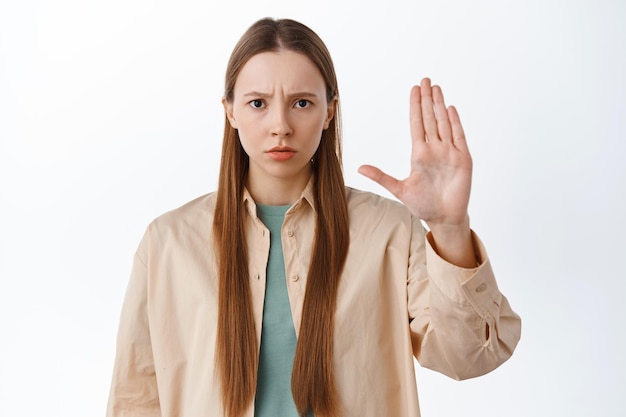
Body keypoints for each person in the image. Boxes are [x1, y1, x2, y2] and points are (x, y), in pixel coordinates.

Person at [106, 17, 521, 417]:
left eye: (301, 103)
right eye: (258, 104)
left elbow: (469, 357)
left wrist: (449, 227)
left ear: (329, 112)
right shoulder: (167, 244)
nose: (281, 125)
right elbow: (136, 399)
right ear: (230, 111)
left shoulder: (389, 233)